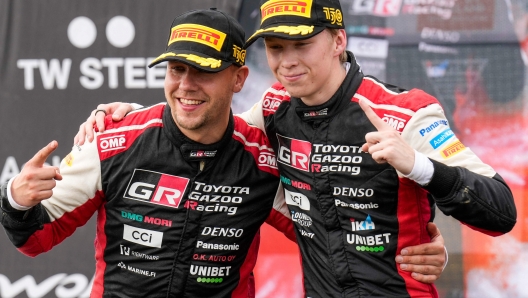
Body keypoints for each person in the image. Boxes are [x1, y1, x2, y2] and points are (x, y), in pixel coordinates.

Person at [70, 3, 484, 298]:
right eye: (275, 47)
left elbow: (499, 209)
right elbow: (202, 124)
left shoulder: (407, 112)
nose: (286, 62)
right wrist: (119, 115)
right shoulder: (271, 110)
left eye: (300, 44)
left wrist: (419, 169)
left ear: (339, 40)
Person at [0, 9, 298, 297]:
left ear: (239, 79)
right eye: (177, 69)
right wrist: (16, 200)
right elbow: (36, 238)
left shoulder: (261, 161)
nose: (186, 85)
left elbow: (323, 235)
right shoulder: (113, 141)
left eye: (203, 71)